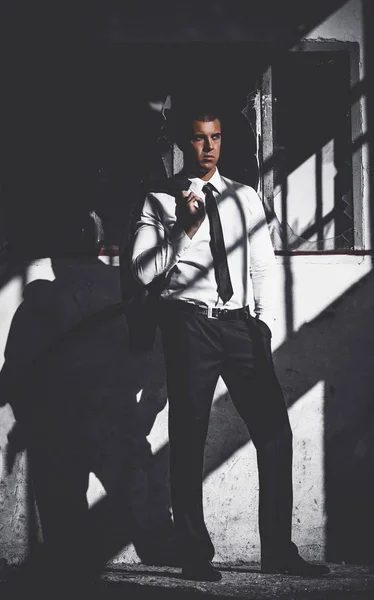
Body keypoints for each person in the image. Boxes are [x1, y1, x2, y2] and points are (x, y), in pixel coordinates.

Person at [130, 101, 329, 582]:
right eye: (199, 138)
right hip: (188, 324)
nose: (208, 147)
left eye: (215, 137)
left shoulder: (244, 197)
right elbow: (141, 271)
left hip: (240, 325)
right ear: (184, 142)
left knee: (275, 433)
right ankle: (195, 554)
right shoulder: (157, 200)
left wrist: (262, 324)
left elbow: (261, 264)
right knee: (190, 438)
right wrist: (184, 229)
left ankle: (277, 550)